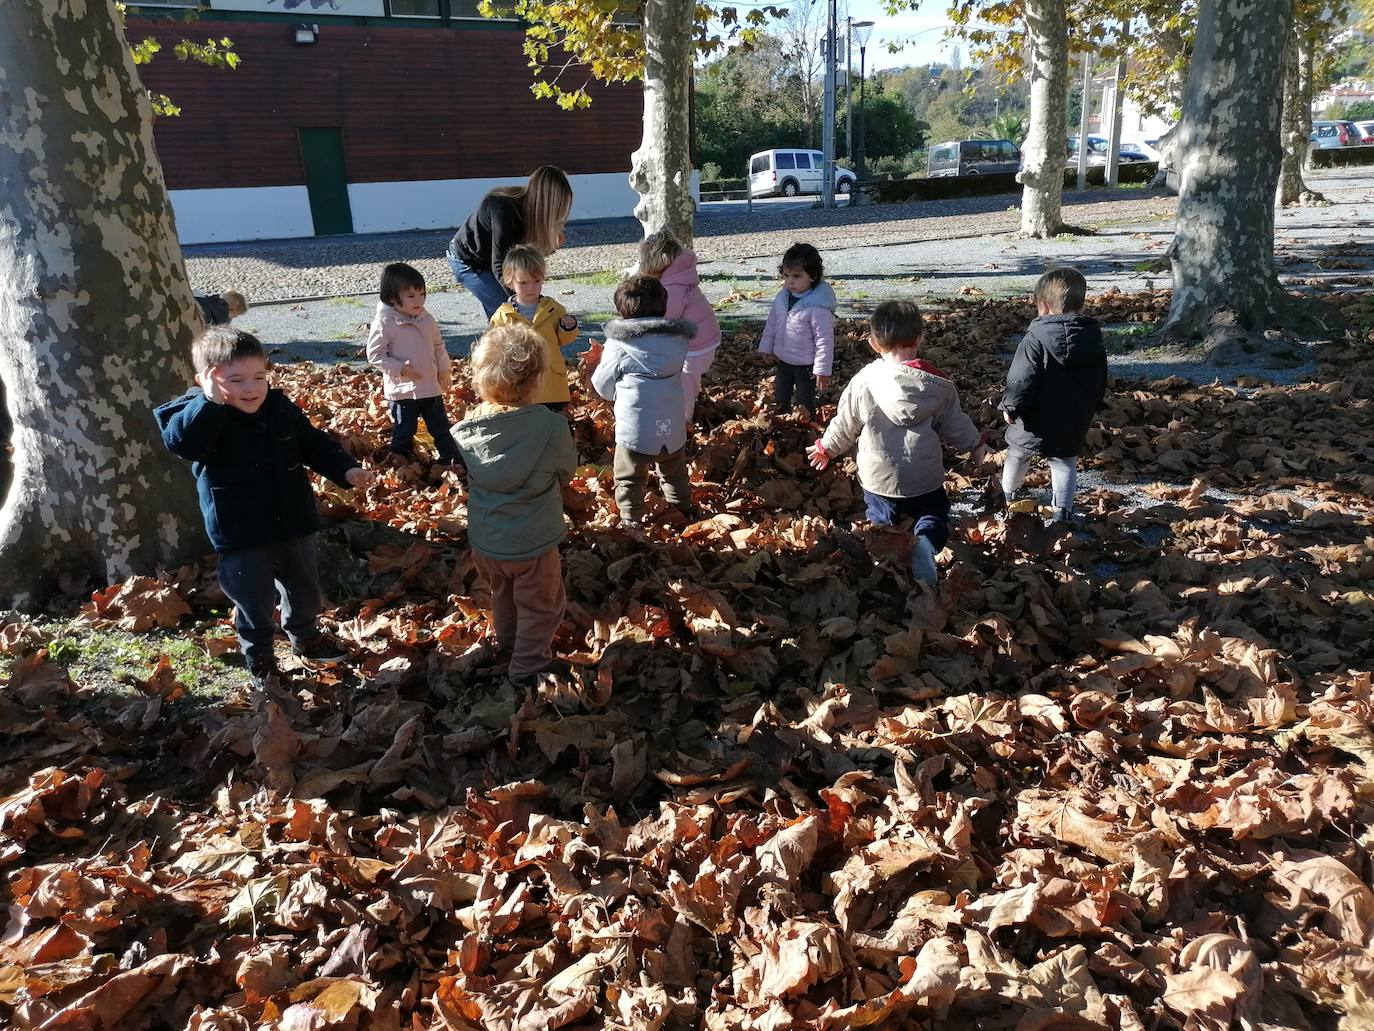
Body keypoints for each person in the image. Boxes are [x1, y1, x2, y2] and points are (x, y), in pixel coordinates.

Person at [154, 327, 373, 690]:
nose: (251, 388)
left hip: (292, 521)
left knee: (304, 589)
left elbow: (313, 444)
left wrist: (346, 469)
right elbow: (183, 443)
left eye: (259, 377)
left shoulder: (279, 408)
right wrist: (209, 403)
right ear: (205, 380)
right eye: (235, 380)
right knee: (253, 599)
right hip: (240, 532)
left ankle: (305, 637)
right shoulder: (198, 414)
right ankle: (260, 657)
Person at [807, 300, 986, 587]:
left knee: (881, 520)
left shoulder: (864, 380)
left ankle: (884, 561)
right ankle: (926, 543)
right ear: (920, 339)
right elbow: (954, 423)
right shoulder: (936, 384)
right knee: (932, 512)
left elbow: (846, 422)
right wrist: (976, 444)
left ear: (874, 343)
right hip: (924, 476)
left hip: (879, 476)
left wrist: (826, 448)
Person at [452, 324, 577, 688]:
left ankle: (508, 643)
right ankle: (527, 666)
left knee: (502, 595)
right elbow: (566, 469)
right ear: (537, 380)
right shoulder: (551, 426)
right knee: (542, 606)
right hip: (532, 544)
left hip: (487, 542)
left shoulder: (470, 426)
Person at [999, 268, 1108, 522]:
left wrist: (1011, 406)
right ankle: (1063, 511)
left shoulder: (1034, 338)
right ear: (1081, 305)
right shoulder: (1092, 339)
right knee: (1064, 463)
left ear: (1044, 307)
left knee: (1017, 453)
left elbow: (1021, 377)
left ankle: (1008, 494)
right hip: (1073, 416)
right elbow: (1100, 375)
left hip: (1034, 416)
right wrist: (1093, 402)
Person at [588, 276, 696, 529]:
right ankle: (682, 512)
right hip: (671, 423)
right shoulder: (678, 341)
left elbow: (602, 384)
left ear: (622, 311)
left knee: (629, 477)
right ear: (663, 307)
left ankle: (631, 519)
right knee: (674, 471)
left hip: (634, 428)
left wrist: (616, 393)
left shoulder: (619, 343)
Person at [365, 262, 463, 466]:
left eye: (422, 294)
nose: (419, 301)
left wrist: (444, 369)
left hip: (430, 386)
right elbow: (375, 354)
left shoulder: (426, 319)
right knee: (404, 429)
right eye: (411, 296)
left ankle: (451, 459)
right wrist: (400, 369)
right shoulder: (385, 322)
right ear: (393, 297)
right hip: (403, 390)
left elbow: (438, 345)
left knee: (440, 427)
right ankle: (401, 461)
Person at [447, 166, 574, 319]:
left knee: (517, 315)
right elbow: (500, 265)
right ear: (546, 205)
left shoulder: (531, 213)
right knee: (510, 314)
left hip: (493, 261)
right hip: (469, 261)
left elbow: (527, 262)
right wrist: (524, 300)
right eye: (557, 209)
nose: (558, 215)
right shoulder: (504, 210)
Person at [638, 229, 721, 422]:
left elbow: (666, 318)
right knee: (690, 377)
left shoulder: (672, 287)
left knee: (684, 381)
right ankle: (692, 399)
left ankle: (684, 420)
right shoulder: (679, 273)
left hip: (696, 346)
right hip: (703, 338)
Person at [488, 245, 580, 411]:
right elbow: (494, 349)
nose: (531, 288)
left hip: (552, 383)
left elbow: (563, 339)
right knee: (527, 423)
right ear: (510, 281)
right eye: (523, 283)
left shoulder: (553, 308)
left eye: (536, 281)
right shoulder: (503, 315)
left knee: (557, 422)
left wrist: (568, 328)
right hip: (520, 383)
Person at [758, 242, 835, 420]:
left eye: (797, 276)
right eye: (786, 276)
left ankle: (807, 428)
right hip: (783, 359)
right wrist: (766, 348)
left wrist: (822, 370)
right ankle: (781, 425)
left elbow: (824, 340)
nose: (790, 282)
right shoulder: (783, 297)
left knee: (804, 402)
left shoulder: (818, 306)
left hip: (805, 364)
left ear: (813, 276)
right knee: (780, 396)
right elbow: (772, 323)